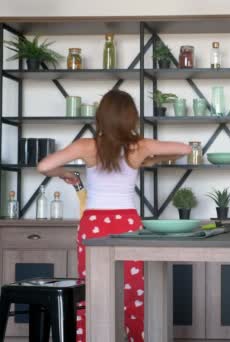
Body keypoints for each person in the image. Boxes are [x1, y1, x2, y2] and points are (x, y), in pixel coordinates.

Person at [37, 90, 191, 342]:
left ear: (101, 116)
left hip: (93, 223)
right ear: (131, 118)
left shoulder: (87, 146)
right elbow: (184, 149)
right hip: (127, 223)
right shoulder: (139, 146)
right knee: (132, 291)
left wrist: (67, 174)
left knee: (92, 288)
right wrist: (149, 159)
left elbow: (44, 166)